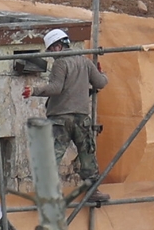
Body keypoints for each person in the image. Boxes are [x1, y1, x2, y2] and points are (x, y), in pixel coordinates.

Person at [22, 28, 110, 202]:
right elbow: (100, 83)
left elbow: (56, 88)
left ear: (57, 46)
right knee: (87, 156)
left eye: (51, 50)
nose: (52, 54)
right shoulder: (85, 61)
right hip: (81, 119)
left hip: (60, 119)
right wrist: (102, 73)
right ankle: (93, 192)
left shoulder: (60, 63)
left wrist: (34, 90)